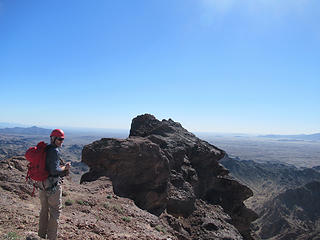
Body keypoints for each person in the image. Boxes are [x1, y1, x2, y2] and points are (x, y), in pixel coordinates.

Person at [38, 129, 71, 240]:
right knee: (55, 212)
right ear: (53, 138)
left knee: (44, 210)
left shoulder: (46, 149)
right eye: (59, 139)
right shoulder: (54, 151)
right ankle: (51, 237)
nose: (61, 141)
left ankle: (41, 236)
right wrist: (65, 168)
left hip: (42, 184)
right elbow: (54, 170)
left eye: (62, 139)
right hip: (52, 185)